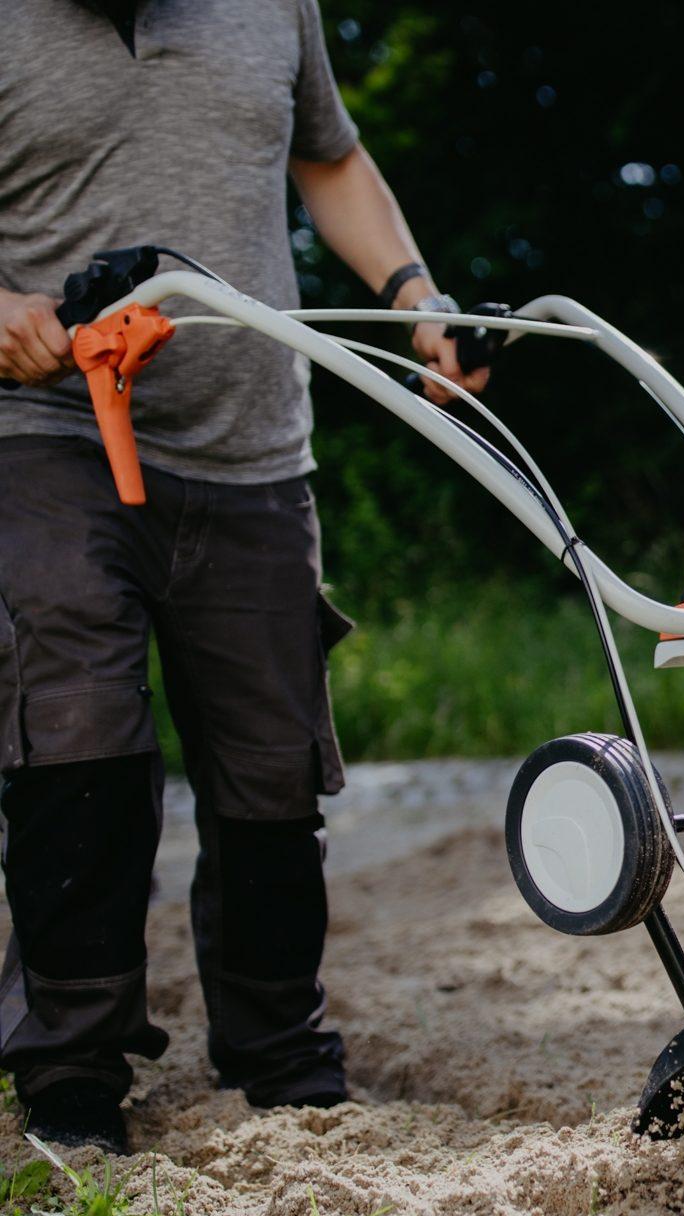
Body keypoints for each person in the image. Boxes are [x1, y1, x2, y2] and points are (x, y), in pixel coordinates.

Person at [0, 0, 489, 1154]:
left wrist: (419, 300)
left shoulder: (272, 5)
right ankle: (71, 1069)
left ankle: (278, 1052)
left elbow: (330, 154)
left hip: (252, 443)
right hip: (47, 429)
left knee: (272, 759)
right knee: (75, 720)